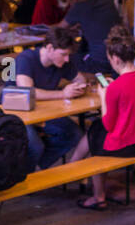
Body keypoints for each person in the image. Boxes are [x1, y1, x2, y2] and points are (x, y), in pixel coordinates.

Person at [65, 26, 135, 209]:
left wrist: (104, 97)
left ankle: (96, 195)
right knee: (95, 130)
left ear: (116, 58)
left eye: (110, 59)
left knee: (96, 134)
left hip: (131, 146)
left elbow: (109, 124)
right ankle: (76, 173)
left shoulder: (116, 87)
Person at [15, 27, 89, 171]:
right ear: (49, 48)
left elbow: (80, 77)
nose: (67, 59)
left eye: (68, 55)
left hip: (44, 111)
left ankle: (37, 170)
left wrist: (79, 87)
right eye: (63, 54)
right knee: (36, 145)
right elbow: (27, 92)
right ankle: (25, 177)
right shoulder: (26, 58)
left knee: (74, 134)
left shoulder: (62, 61)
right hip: (18, 112)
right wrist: (63, 94)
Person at [63, 0, 122, 78]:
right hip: (117, 58)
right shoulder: (107, 0)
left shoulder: (78, 7)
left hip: (98, 63)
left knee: (67, 58)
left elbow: (59, 28)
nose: (69, 5)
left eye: (68, 1)